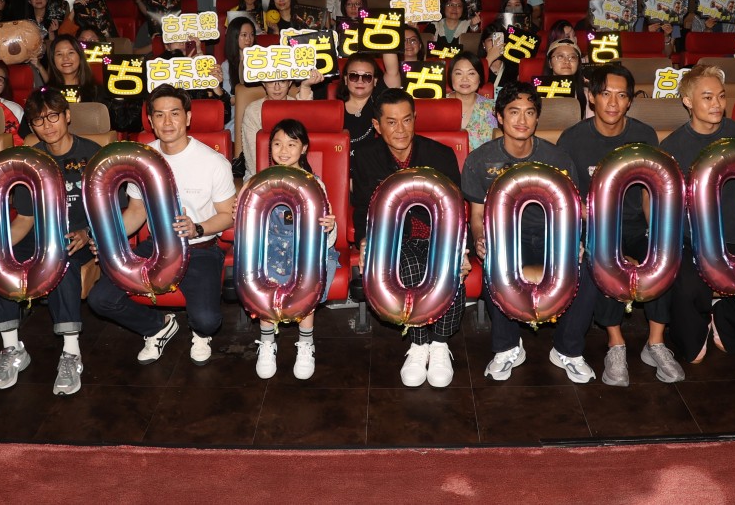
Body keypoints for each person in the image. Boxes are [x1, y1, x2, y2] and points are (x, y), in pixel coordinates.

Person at [87, 85, 236, 366]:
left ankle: (200, 335)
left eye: (175, 114)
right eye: (160, 115)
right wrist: (110, 238)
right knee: (100, 299)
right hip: (154, 248)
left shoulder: (213, 162)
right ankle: (157, 327)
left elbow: (228, 215)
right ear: (151, 121)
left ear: (188, 118)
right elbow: (135, 212)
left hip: (199, 248)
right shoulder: (142, 158)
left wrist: (198, 228)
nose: (168, 122)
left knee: (207, 322)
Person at [557, 65, 684, 386]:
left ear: (630, 101)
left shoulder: (644, 135)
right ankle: (616, 342)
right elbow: (566, 198)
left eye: (621, 95)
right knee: (605, 260)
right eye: (605, 94)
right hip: (596, 226)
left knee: (663, 253)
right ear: (590, 97)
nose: (613, 103)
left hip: (635, 222)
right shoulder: (572, 140)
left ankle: (655, 342)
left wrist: (659, 234)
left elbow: (649, 191)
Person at [463, 81, 597, 383]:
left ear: (537, 118)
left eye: (529, 113)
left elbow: (571, 209)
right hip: (508, 238)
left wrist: (575, 240)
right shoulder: (479, 160)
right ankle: (508, 348)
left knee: (587, 266)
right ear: (499, 116)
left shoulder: (558, 158)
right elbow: (477, 215)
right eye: (513, 112)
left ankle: (568, 350)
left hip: (552, 236)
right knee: (495, 264)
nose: (522, 120)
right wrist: (481, 239)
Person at [659, 65, 735, 363]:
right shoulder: (672, 147)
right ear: (688, 101)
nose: (717, 104)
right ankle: (696, 327)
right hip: (695, 240)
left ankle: (724, 319)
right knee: (687, 296)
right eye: (707, 97)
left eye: (721, 96)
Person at [0, 89, 101, 395]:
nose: (47, 125)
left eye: (53, 116)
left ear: (67, 116)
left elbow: (110, 211)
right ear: (33, 127)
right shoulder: (31, 159)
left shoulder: (92, 153)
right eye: (39, 120)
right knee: (0, 259)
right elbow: (25, 218)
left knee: (59, 262)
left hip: (75, 237)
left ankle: (71, 352)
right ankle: (12, 350)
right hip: (38, 234)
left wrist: (88, 232)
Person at [351, 89, 467, 388]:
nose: (400, 130)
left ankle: (439, 344)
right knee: (411, 269)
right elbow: (363, 207)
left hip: (439, 237)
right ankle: (419, 345)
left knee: (444, 269)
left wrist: (460, 250)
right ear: (377, 126)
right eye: (391, 122)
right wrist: (364, 243)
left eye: (406, 120)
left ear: (415, 119)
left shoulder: (440, 155)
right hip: (394, 240)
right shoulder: (365, 157)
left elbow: (456, 208)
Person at [247, 119, 339, 380]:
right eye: (277, 143)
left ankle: (306, 343)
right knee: (263, 277)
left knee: (306, 282)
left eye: (291, 143)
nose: (283, 149)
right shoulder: (260, 183)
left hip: (305, 253)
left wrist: (329, 227)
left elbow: (329, 237)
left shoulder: (314, 184)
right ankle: (267, 343)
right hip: (270, 251)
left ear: (304, 148)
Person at [241, 71, 320, 180]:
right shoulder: (253, 111)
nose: (276, 88)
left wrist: (305, 87)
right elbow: (252, 155)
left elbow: (305, 132)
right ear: (263, 83)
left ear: (290, 82)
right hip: (260, 175)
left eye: (282, 81)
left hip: (296, 173)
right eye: (271, 81)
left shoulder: (297, 105)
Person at [336, 55, 384, 163]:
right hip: (338, 166)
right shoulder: (333, 108)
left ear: (375, 80)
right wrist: (305, 87)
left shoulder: (382, 107)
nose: (360, 81)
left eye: (367, 77)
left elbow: (393, 72)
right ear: (345, 79)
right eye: (354, 76)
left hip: (371, 168)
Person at [448, 53, 496, 151]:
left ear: (480, 78)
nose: (464, 79)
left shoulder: (492, 108)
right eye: (458, 73)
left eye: (471, 73)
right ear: (450, 77)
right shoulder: (437, 106)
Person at [46, 34, 100, 102]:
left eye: (71, 53)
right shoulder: (46, 94)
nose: (65, 58)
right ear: (53, 60)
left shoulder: (97, 92)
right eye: (59, 54)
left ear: (80, 56)